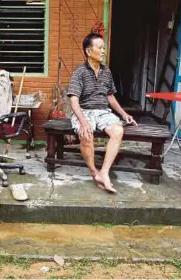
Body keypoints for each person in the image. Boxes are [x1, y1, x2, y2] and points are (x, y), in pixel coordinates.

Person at [67, 32, 138, 194]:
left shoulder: (107, 72)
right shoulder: (79, 72)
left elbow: (110, 97)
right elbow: (74, 101)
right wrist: (83, 122)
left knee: (118, 130)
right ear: (88, 51)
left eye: (103, 47)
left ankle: (104, 172)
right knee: (86, 134)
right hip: (84, 111)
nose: (103, 51)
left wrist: (123, 114)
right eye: (100, 47)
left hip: (103, 112)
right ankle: (94, 172)